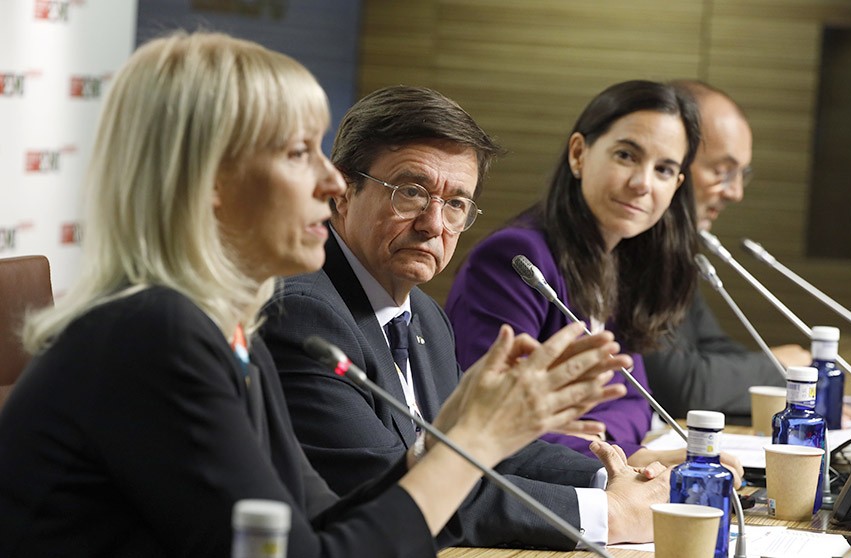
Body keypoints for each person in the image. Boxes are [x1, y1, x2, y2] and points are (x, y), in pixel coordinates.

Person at [0, 33, 628, 558]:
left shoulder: (222, 331)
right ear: (210, 179)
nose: (332, 182)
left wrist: (456, 436)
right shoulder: (153, 335)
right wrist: (476, 446)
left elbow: (323, 520)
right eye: (301, 152)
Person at [260, 85, 679, 549]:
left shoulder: (425, 316)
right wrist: (608, 516)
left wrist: (612, 475)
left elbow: (484, 447)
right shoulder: (304, 314)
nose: (433, 224)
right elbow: (401, 491)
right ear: (342, 191)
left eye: (456, 204)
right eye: (411, 193)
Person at [445, 80, 700, 462]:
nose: (642, 184)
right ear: (579, 154)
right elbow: (489, 427)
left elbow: (636, 404)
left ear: (676, 185)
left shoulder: (618, 260)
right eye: (626, 156)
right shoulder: (517, 258)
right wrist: (625, 455)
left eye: (663, 169)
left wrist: (597, 434)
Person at [643, 80, 810, 418]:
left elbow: (712, 346)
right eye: (722, 171)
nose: (736, 193)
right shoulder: (632, 248)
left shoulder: (673, 248)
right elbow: (680, 386)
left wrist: (793, 386)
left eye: (741, 174)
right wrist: (779, 367)